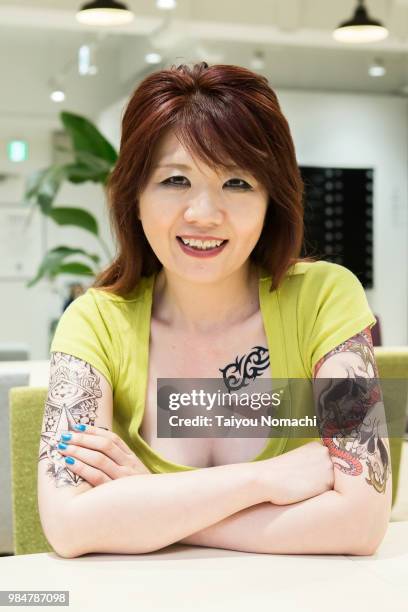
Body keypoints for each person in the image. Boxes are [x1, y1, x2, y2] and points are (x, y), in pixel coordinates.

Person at [37, 61, 391, 559]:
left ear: (273, 199)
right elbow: (70, 526)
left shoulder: (324, 298)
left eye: (238, 183)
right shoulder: (96, 321)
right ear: (134, 197)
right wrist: (264, 479)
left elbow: (361, 521)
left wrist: (153, 507)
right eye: (175, 180)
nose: (204, 214)